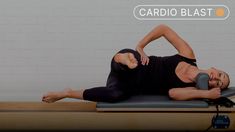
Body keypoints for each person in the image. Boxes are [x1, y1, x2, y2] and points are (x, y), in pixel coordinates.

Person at [42, 24, 230, 103]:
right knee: (132, 61)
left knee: (115, 95)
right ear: (214, 68)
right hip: (138, 63)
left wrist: (205, 92)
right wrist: (141, 46)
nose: (217, 79)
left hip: (128, 85)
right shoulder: (188, 55)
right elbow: (164, 29)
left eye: (219, 83)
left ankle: (66, 92)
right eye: (220, 75)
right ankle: (121, 58)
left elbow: (173, 93)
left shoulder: (194, 89)